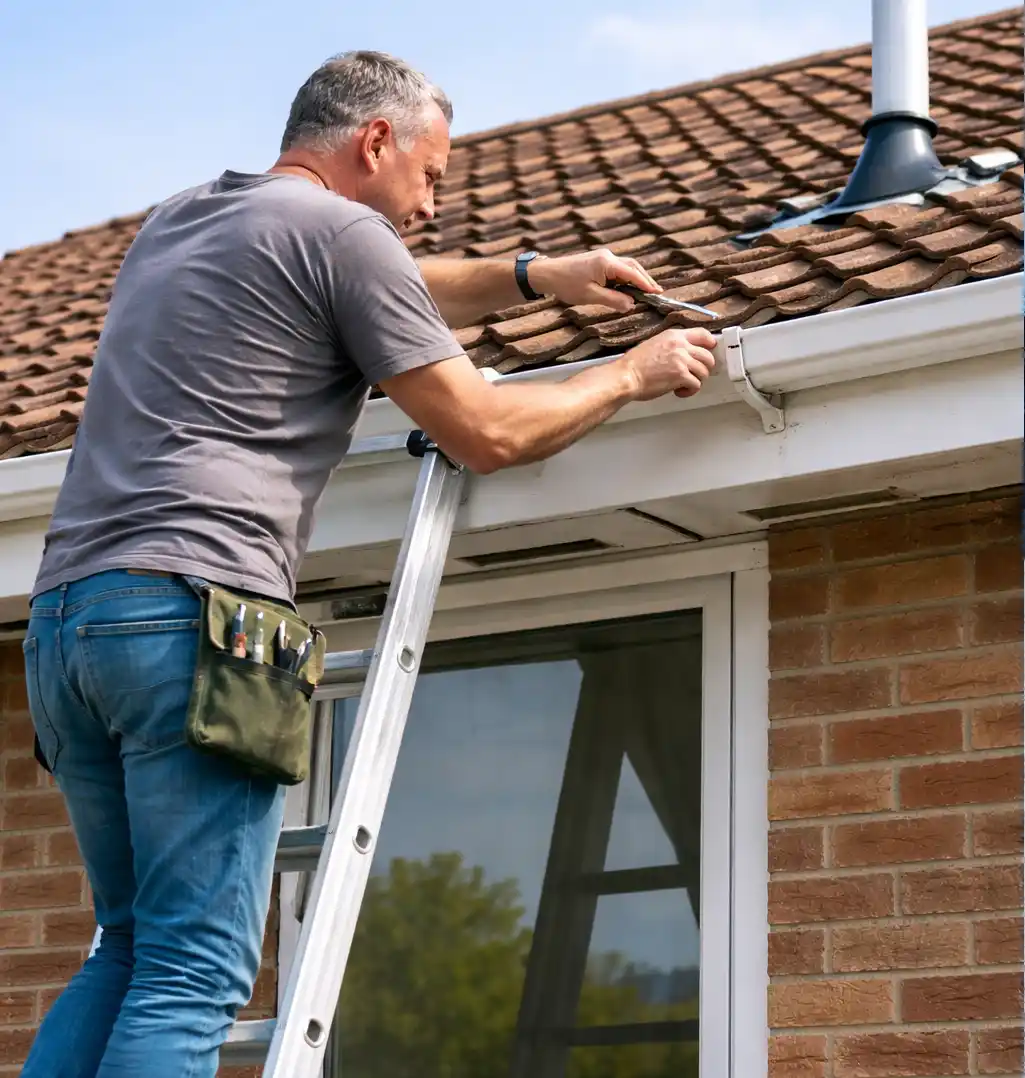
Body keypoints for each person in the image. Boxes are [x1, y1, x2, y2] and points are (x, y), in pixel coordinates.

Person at [20, 50, 717, 1078]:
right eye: (430, 177)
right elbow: (480, 429)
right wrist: (629, 373)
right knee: (194, 969)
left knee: (126, 948)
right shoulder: (347, 236)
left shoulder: (181, 220)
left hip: (68, 624)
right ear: (374, 142)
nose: (431, 205)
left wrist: (537, 277)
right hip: (188, 615)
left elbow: (395, 282)